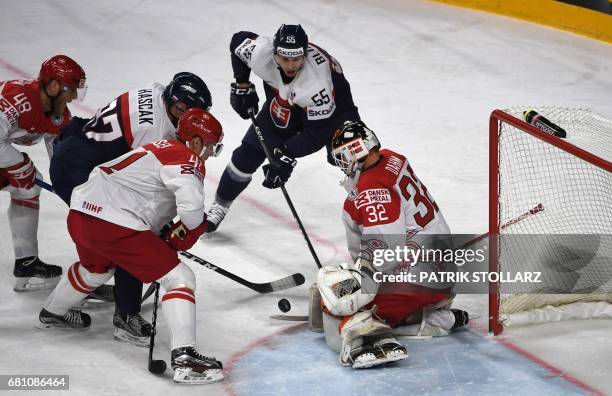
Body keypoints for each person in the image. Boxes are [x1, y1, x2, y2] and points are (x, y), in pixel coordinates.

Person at [38, 108, 225, 384]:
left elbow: (143, 193)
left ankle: (52, 312)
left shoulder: (157, 146)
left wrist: (166, 233)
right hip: (115, 223)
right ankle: (185, 360)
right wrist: (185, 233)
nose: (210, 154)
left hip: (81, 213)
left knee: (95, 270)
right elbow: (192, 211)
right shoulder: (187, 157)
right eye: (212, 147)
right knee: (180, 278)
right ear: (196, 142)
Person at [49, 72, 213, 347]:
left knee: (116, 241)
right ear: (174, 103)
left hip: (77, 154)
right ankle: (127, 315)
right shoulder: (155, 130)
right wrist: (159, 233)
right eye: (181, 111)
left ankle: (89, 280)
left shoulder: (156, 91)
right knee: (131, 234)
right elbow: (139, 186)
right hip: (77, 170)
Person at [315, 120, 469, 369]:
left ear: (353, 151)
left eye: (341, 156)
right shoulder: (392, 158)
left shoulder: (371, 189)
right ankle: (435, 319)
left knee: (336, 304)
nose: (341, 164)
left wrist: (355, 289)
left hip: (418, 281)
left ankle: (367, 340)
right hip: (441, 275)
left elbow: (385, 254)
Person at [206, 24, 360, 231]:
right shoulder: (262, 53)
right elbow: (238, 41)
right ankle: (220, 205)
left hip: (336, 111)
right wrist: (242, 84)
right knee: (248, 154)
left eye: (296, 59)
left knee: (351, 156)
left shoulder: (317, 83)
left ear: (305, 55)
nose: (290, 65)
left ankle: (372, 210)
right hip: (285, 103)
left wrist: (285, 154)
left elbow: (317, 133)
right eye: (284, 58)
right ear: (274, 53)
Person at [0, 54, 86, 292]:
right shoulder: (16, 99)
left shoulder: (58, 114)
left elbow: (58, 156)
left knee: (28, 187)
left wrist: (68, 186)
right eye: (71, 89)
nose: (74, 97)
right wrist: (21, 166)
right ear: (54, 85)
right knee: (26, 178)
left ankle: (26, 262)